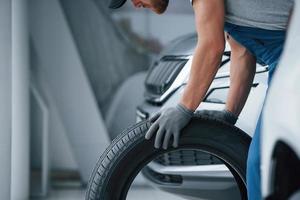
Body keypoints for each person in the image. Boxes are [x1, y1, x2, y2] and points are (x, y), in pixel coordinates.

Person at [109, 0, 294, 199]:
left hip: (293, 64)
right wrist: (228, 116)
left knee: (263, 165)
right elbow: (242, 54)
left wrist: (183, 108)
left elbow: (211, 46)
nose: (135, 3)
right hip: (288, 64)